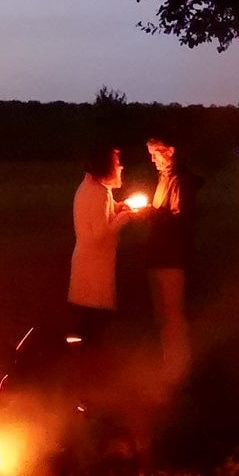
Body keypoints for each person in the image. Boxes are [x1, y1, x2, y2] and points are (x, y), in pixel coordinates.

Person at [143, 134, 203, 404]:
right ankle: (170, 369)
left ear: (170, 150)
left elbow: (181, 219)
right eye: (151, 154)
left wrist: (151, 214)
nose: (153, 159)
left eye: (156, 153)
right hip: (158, 255)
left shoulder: (180, 180)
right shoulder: (165, 178)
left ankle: (179, 374)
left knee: (173, 318)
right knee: (164, 317)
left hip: (172, 258)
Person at [68, 144, 144, 346]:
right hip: (93, 270)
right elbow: (98, 233)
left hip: (89, 266)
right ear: (105, 167)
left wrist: (119, 206)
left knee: (87, 322)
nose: (121, 168)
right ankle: (91, 368)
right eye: (117, 163)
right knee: (93, 324)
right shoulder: (97, 193)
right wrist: (126, 216)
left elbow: (99, 217)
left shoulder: (95, 189)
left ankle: (86, 366)